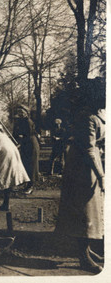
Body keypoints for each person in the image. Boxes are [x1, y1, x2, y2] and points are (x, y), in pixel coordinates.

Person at [55, 78, 105, 274]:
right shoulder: (86, 117)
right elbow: (89, 148)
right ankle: (83, 257)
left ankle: (89, 251)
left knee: (92, 211)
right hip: (81, 168)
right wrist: (101, 176)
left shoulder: (98, 114)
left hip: (91, 163)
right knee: (84, 212)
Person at [13, 105, 40, 195]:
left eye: (22, 112)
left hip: (31, 144)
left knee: (31, 165)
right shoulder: (20, 121)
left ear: (26, 112)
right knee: (26, 164)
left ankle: (31, 186)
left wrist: (21, 137)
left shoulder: (28, 121)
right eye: (18, 112)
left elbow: (28, 134)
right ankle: (28, 184)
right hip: (26, 144)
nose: (20, 113)